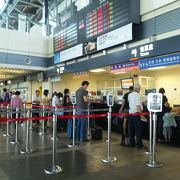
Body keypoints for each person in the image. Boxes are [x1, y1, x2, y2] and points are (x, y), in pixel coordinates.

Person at [128, 84, 147, 149]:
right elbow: (137, 105)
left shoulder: (129, 95)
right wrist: (141, 115)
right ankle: (140, 145)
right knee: (138, 130)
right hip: (136, 114)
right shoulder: (137, 95)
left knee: (131, 130)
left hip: (130, 114)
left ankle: (131, 143)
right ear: (138, 89)